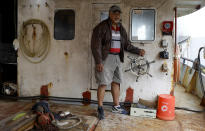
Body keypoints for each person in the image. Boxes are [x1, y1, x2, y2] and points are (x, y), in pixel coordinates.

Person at [91, 5, 145, 120]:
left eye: (118, 13)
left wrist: (138, 51)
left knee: (116, 82)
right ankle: (100, 108)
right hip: (106, 58)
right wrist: (99, 61)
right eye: (114, 13)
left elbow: (126, 45)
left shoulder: (121, 28)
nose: (117, 16)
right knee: (103, 83)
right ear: (110, 14)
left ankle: (116, 106)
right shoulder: (101, 27)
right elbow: (95, 46)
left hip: (118, 58)